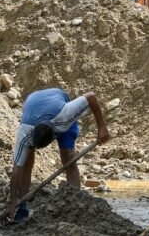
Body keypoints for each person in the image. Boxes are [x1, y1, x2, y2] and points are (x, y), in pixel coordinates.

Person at [6, 88, 110, 221]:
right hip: (32, 102)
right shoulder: (25, 132)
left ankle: (75, 203)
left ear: (55, 136)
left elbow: (91, 97)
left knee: (68, 158)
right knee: (26, 161)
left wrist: (102, 127)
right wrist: (12, 202)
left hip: (56, 103)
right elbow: (17, 169)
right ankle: (22, 206)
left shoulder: (65, 115)